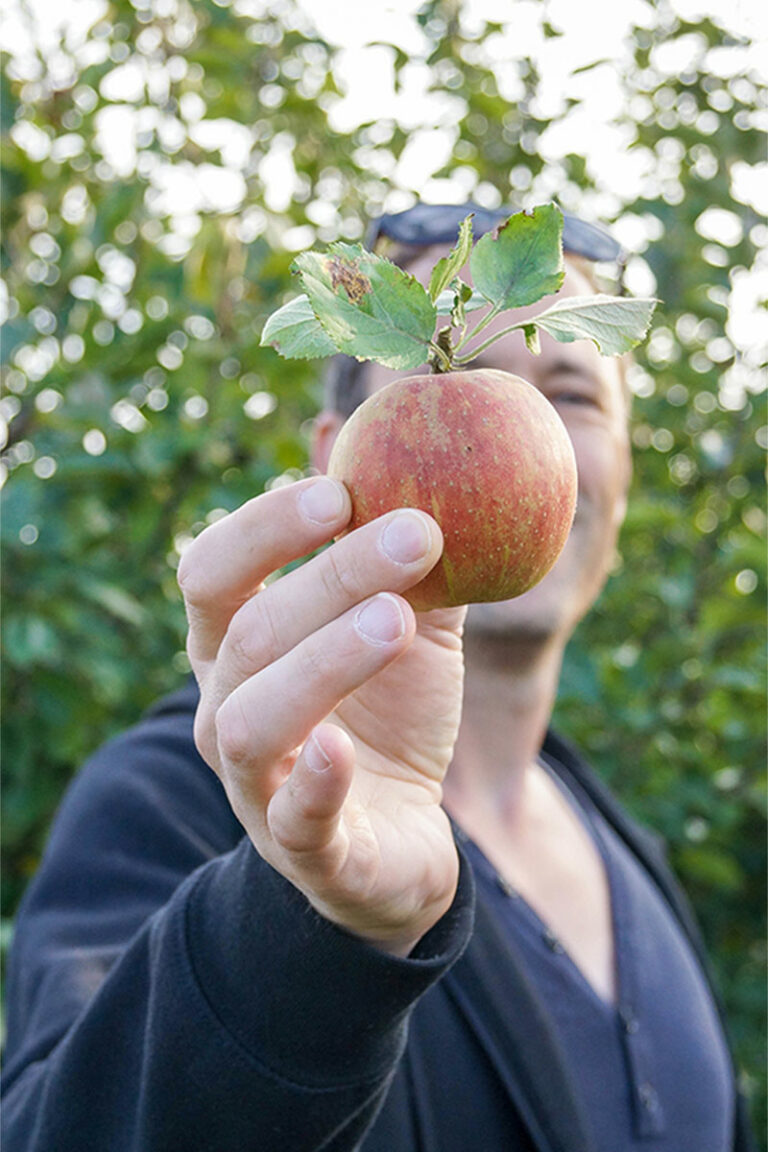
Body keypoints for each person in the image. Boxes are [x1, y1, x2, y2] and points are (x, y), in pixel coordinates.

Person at [1, 203, 756, 1152]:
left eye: (571, 392)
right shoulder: (178, 798)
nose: (506, 428)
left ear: (620, 460)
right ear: (333, 457)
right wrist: (314, 926)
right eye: (454, 374)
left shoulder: (621, 835)